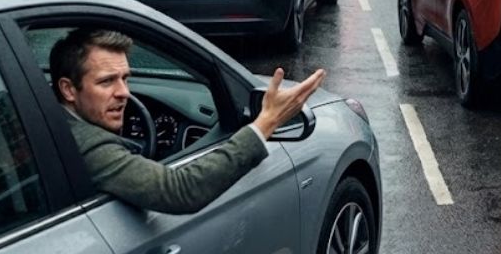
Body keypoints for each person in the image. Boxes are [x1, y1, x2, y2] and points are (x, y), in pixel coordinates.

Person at [51, 28, 325, 214]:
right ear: (68, 90)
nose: (124, 92)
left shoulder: (49, 122)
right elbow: (181, 189)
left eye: (125, 78)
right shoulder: (88, 146)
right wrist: (266, 123)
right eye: (106, 81)